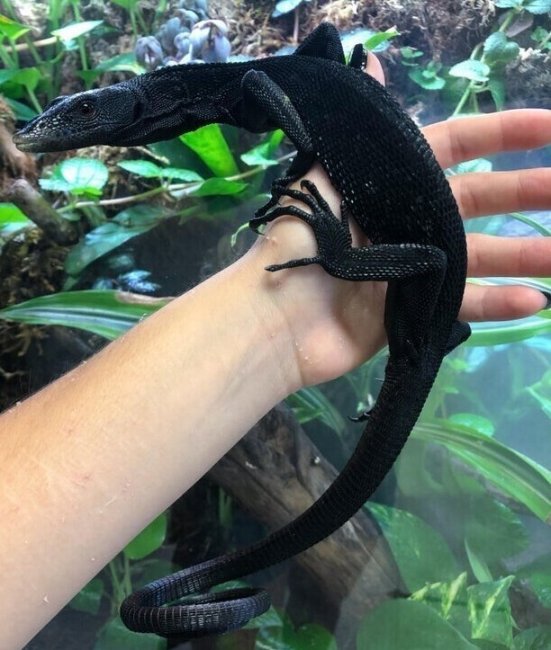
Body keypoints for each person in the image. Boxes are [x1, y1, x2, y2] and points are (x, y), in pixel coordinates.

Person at [1, 53, 551, 649]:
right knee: (429, 307)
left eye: (85, 109)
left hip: (423, 295)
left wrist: (339, 254)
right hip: (421, 307)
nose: (72, 121)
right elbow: (299, 63)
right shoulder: (233, 87)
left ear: (131, 101)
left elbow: (434, 260)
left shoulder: (241, 86)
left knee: (433, 284)